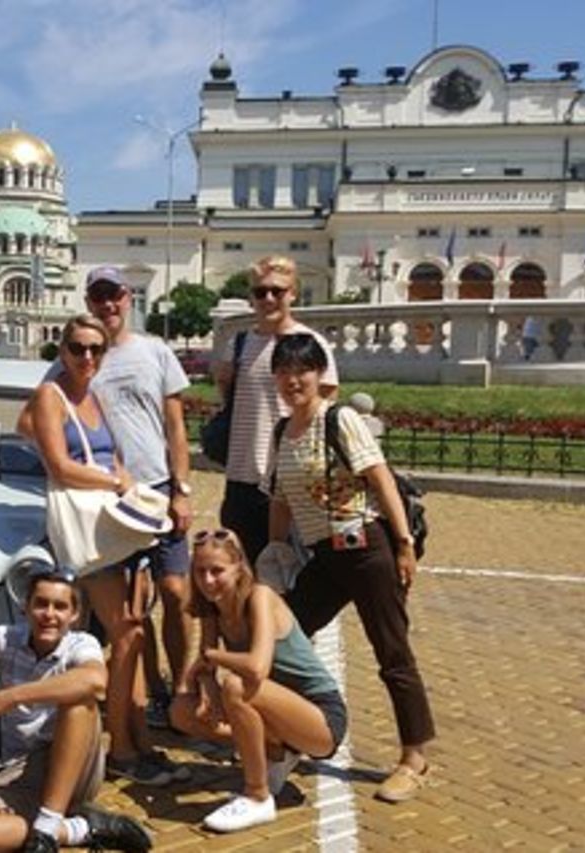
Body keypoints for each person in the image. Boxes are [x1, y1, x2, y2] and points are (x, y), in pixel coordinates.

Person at [266, 333, 435, 804]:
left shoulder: (339, 420)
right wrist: (275, 557)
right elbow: (280, 500)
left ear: (321, 376)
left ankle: (414, 757)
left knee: (392, 651)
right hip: (322, 557)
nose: (292, 380)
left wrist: (403, 544)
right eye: (283, 371)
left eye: (302, 370)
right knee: (281, 635)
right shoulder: (283, 432)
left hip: (367, 549)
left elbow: (379, 479)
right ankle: (292, 732)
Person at [26, 314, 161, 786]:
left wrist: (123, 481)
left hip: (114, 524)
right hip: (89, 533)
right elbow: (60, 467)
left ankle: (139, 737)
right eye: (78, 348)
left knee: (135, 633)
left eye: (96, 350)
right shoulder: (52, 395)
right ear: (61, 350)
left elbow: (111, 454)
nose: (87, 357)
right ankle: (121, 748)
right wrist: (115, 480)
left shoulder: (94, 394)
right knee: (124, 634)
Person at [0, 564, 153, 853]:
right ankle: (75, 828)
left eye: (60, 606)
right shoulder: (0, 640)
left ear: (74, 615)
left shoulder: (81, 643)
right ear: (25, 607)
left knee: (78, 700)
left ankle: (48, 824)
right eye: (40, 604)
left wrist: (10, 697)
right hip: (14, 771)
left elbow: (95, 682)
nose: (49, 614)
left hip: (73, 767)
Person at [81, 266, 194, 773]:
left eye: (115, 295)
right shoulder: (83, 358)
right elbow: (44, 413)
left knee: (175, 591)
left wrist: (182, 488)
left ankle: (183, 687)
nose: (108, 304)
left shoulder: (154, 351)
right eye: (99, 296)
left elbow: (175, 424)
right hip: (114, 498)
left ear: (128, 298)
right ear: (89, 300)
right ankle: (148, 698)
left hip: (158, 489)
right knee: (132, 610)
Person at [172, 529, 347, 833]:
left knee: (238, 687)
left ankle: (257, 796)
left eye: (217, 571)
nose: (208, 580)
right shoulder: (212, 605)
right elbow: (206, 664)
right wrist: (208, 692)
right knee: (182, 712)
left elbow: (255, 667)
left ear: (239, 567)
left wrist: (212, 660)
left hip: (321, 719)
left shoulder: (260, 596)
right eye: (200, 571)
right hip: (278, 710)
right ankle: (277, 752)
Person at [214, 255, 338, 564]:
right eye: (260, 292)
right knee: (241, 577)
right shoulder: (238, 345)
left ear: (293, 293)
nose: (268, 298)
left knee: (290, 575)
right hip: (242, 478)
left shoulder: (311, 344)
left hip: (291, 480)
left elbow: (326, 409)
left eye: (277, 291)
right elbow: (229, 399)